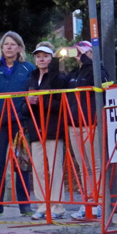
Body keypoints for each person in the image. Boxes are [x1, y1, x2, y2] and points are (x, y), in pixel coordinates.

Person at [0, 32, 34, 219]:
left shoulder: (28, 68)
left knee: (22, 163)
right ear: (1, 48)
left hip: (20, 122)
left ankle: (25, 205)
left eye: (13, 44)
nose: (9, 47)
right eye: (6, 44)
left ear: (19, 47)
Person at [27, 42, 67, 221]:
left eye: (45, 56)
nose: (41, 59)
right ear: (34, 59)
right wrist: (29, 103)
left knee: (55, 168)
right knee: (38, 170)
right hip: (36, 128)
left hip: (53, 128)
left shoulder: (58, 77)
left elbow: (61, 103)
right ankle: (42, 205)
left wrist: (41, 102)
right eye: (38, 56)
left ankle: (57, 206)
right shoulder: (31, 78)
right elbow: (23, 105)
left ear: (51, 58)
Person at [66, 42, 99, 220]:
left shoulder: (95, 69)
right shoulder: (74, 73)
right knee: (83, 167)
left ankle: (99, 203)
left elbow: (100, 80)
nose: (78, 55)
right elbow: (57, 81)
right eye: (77, 52)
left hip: (90, 123)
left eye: (82, 52)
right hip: (74, 124)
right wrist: (57, 59)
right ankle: (87, 203)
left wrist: (87, 58)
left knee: (96, 165)